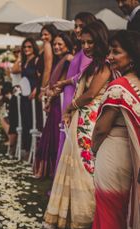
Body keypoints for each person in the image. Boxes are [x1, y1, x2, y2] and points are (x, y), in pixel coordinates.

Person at [43, 21, 112, 229]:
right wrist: (64, 84)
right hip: (80, 120)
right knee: (71, 167)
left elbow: (91, 94)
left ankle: (84, 219)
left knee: (84, 169)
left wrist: (70, 107)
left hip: (89, 122)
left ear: (100, 40)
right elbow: (78, 79)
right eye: (83, 42)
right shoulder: (93, 64)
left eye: (90, 42)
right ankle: (65, 215)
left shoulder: (106, 66)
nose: (86, 46)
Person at [86, 30, 140, 229]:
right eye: (109, 51)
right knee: (122, 209)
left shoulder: (119, 87)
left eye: (116, 51)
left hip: (113, 152)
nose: (109, 57)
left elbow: (100, 128)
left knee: (108, 211)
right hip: (131, 155)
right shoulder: (137, 84)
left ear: (132, 56)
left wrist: (95, 148)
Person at [53, 12, 96, 173]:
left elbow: (84, 77)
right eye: (75, 26)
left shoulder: (85, 52)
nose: (77, 30)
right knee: (65, 139)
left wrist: (65, 82)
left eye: (81, 26)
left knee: (69, 141)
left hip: (74, 98)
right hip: (69, 94)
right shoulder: (80, 50)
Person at [33, 33, 74, 179]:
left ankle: (52, 171)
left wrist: (50, 96)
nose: (56, 47)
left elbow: (60, 85)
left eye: (60, 44)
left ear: (67, 45)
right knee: (49, 134)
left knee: (55, 136)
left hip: (60, 102)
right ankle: (47, 171)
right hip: (55, 101)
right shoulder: (60, 60)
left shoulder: (68, 59)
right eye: (55, 44)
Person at [20, 38, 40, 155]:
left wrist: (36, 89)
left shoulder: (36, 60)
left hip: (32, 95)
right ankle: (26, 148)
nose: (26, 49)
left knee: (32, 120)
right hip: (24, 94)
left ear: (34, 48)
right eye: (25, 47)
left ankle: (32, 149)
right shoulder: (24, 61)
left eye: (29, 47)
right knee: (25, 121)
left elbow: (40, 77)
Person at [36, 24, 59, 129]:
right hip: (48, 83)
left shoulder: (47, 45)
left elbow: (48, 68)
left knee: (42, 117)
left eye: (46, 34)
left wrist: (42, 88)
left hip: (45, 84)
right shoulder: (48, 45)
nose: (43, 37)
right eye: (42, 35)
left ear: (52, 34)